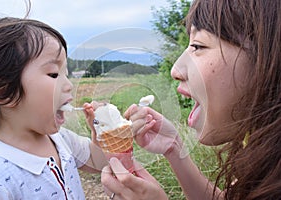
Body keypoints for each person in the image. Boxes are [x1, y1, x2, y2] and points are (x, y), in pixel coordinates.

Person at [100, 0, 281, 199]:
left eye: (198, 45)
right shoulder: (261, 148)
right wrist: (174, 148)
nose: (175, 70)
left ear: (269, 57)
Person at [0, 17, 106, 199]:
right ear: (3, 90)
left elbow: (99, 162)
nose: (69, 85)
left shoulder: (61, 139)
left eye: (66, 73)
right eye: (54, 74)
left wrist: (101, 132)